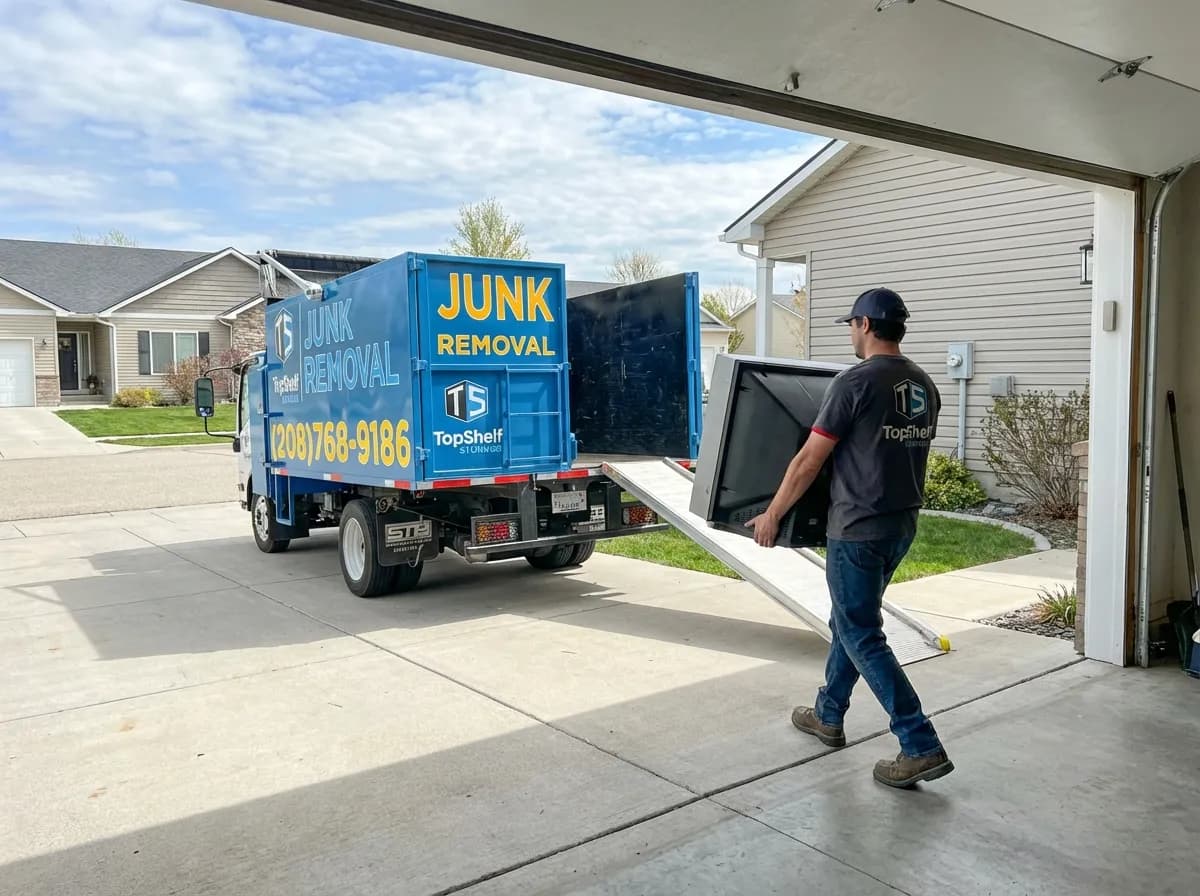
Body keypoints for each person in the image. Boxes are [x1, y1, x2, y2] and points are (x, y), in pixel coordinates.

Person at [745, 286, 953, 788]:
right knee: (850, 622)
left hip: (858, 529)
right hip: (900, 523)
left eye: (851, 325)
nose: (850, 335)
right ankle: (828, 713)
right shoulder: (924, 384)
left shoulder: (854, 383)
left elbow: (809, 459)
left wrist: (773, 513)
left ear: (864, 325)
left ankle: (919, 742)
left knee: (861, 632)